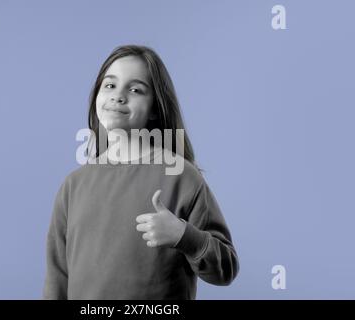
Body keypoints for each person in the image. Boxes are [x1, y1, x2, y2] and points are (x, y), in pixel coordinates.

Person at [43, 45, 239, 299]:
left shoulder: (182, 177)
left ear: (155, 108)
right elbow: (57, 279)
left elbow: (227, 268)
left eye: (135, 89)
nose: (119, 96)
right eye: (110, 85)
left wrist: (183, 236)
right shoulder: (73, 186)